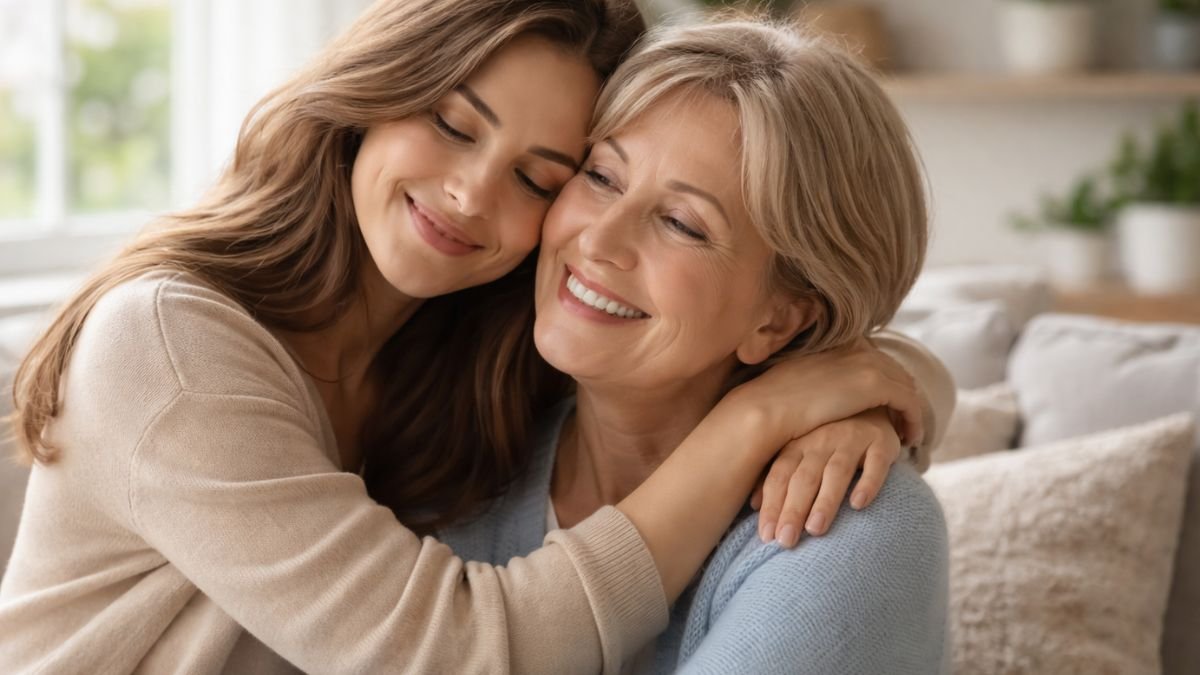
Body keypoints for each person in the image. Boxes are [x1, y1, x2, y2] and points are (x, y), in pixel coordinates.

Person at [0, 1, 950, 673]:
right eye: (453, 123)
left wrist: (876, 382)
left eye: (541, 177)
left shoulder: (478, 365)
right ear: (376, 89)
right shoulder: (169, 348)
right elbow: (455, 650)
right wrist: (770, 412)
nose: (471, 194)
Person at [438, 13, 950, 674]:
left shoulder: (855, 527)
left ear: (780, 319)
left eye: (682, 223)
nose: (598, 239)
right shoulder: (461, 450)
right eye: (602, 177)